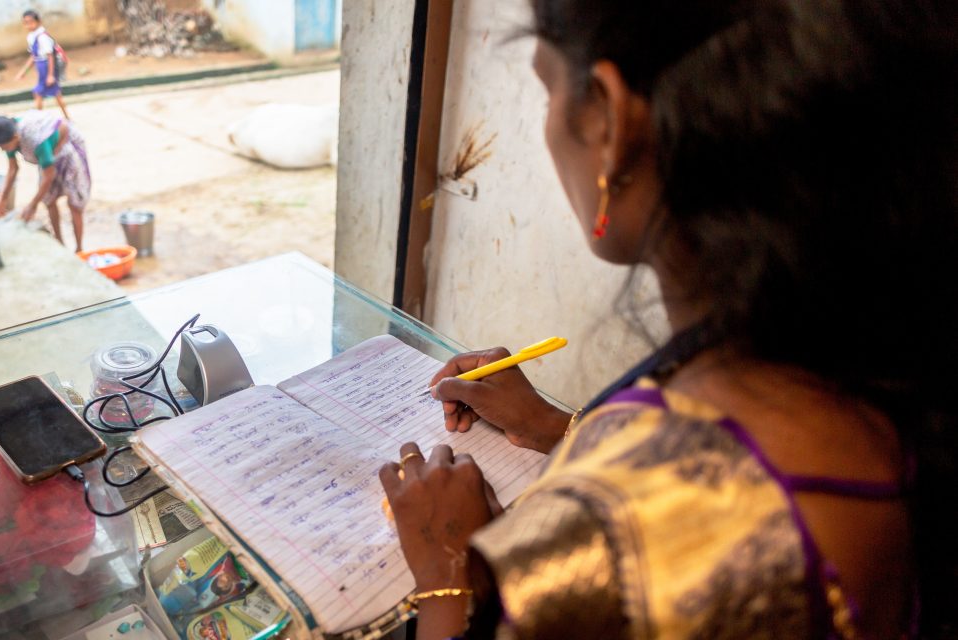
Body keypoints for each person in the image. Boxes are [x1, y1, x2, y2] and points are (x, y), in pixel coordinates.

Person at [378, 1, 957, 638]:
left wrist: (445, 574)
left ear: (608, 118)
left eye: (548, 89)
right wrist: (556, 426)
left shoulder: (615, 539)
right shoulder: (862, 343)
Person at [0, 112, 91, 252]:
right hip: (48, 156)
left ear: (16, 137)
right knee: (49, 200)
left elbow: (49, 175)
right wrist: (2, 198)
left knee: (74, 203)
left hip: (66, 150)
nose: (2, 150)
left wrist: (33, 205)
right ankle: (60, 244)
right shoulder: (8, 135)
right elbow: (13, 169)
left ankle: (79, 249)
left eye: (3, 147)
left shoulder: (36, 140)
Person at [14, 9, 70, 120]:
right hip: (41, 67)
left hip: (46, 68)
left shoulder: (42, 37)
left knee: (39, 94)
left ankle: (40, 119)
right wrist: (23, 72)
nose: (28, 25)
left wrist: (50, 75)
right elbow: (33, 56)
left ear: (38, 21)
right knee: (55, 95)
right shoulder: (31, 36)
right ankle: (66, 117)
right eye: (26, 23)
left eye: (31, 22)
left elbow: (50, 56)